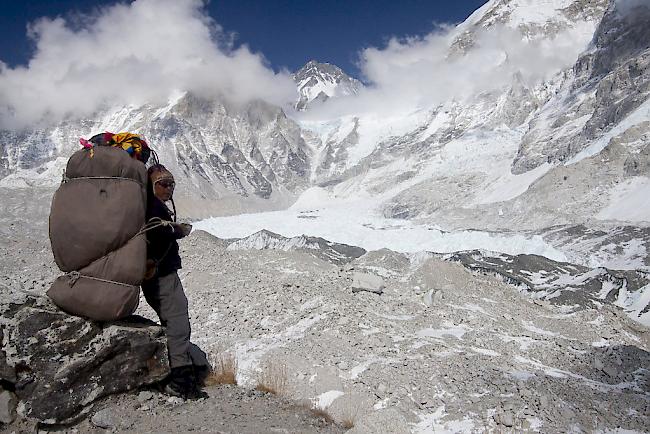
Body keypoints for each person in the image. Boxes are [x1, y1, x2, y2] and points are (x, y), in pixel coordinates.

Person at [143, 164, 208, 400]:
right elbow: (156, 234)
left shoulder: (151, 206)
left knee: (174, 320)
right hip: (161, 275)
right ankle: (180, 382)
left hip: (159, 274)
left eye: (172, 184)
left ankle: (177, 374)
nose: (169, 188)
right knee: (178, 322)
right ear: (152, 185)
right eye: (163, 184)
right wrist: (178, 231)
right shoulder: (152, 207)